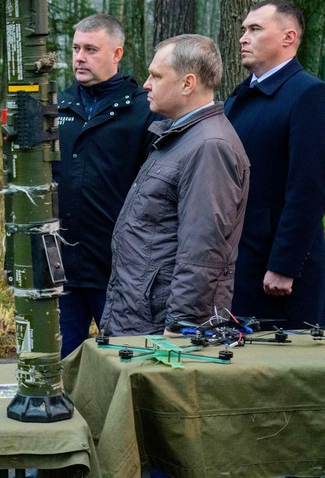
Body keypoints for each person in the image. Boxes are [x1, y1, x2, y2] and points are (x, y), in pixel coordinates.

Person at [100, 35, 250, 336]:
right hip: (140, 316)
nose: (146, 84)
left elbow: (203, 249)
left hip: (161, 328)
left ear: (187, 83)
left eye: (156, 76)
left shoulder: (209, 146)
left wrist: (181, 325)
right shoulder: (180, 137)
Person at [55, 14, 157, 357]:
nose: (79, 58)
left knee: (122, 358)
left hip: (118, 268)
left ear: (116, 54)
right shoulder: (58, 105)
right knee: (65, 362)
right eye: (75, 49)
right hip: (63, 267)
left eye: (90, 49)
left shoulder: (142, 110)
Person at [224, 0, 325, 327]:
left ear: (288, 37)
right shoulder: (238, 97)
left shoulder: (309, 95)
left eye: (255, 29)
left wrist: (285, 265)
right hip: (238, 260)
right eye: (243, 29)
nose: (243, 38)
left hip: (278, 273)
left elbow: (308, 188)